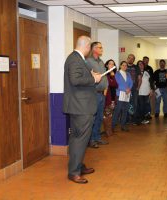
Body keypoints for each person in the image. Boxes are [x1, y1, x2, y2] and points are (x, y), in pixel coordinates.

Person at [63, 36, 102, 184]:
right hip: (81, 107)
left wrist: (90, 75)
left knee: (78, 139)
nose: (90, 50)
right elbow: (75, 80)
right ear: (86, 46)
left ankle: (78, 165)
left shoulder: (76, 58)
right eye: (90, 47)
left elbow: (78, 77)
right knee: (79, 140)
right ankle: (74, 172)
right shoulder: (74, 59)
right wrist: (93, 79)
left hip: (80, 106)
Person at [86, 42, 109, 148]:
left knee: (99, 117)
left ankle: (97, 138)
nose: (102, 49)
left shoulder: (101, 62)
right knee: (93, 118)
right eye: (100, 47)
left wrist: (106, 87)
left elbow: (104, 77)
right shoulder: (88, 62)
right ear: (94, 49)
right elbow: (87, 76)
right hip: (93, 93)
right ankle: (91, 140)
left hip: (101, 94)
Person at [112, 61, 133, 132]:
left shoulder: (128, 74)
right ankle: (112, 126)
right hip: (120, 94)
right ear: (120, 66)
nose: (125, 66)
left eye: (126, 65)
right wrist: (125, 89)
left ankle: (123, 125)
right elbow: (117, 84)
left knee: (125, 110)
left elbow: (131, 83)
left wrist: (129, 89)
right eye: (123, 65)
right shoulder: (117, 74)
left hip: (127, 94)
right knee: (117, 111)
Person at [134, 60, 152, 125]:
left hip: (146, 93)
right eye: (139, 64)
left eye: (142, 64)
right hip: (139, 93)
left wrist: (151, 90)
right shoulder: (136, 73)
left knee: (144, 107)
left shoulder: (147, 72)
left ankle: (142, 119)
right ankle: (139, 120)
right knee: (140, 107)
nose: (141, 65)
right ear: (137, 66)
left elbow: (149, 82)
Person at [126, 54, 141, 122]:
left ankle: (134, 119)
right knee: (126, 104)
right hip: (125, 89)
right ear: (127, 58)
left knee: (134, 103)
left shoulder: (136, 67)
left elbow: (139, 78)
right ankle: (127, 119)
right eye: (129, 58)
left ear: (134, 60)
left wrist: (138, 87)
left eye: (132, 59)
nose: (131, 59)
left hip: (134, 89)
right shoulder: (124, 66)